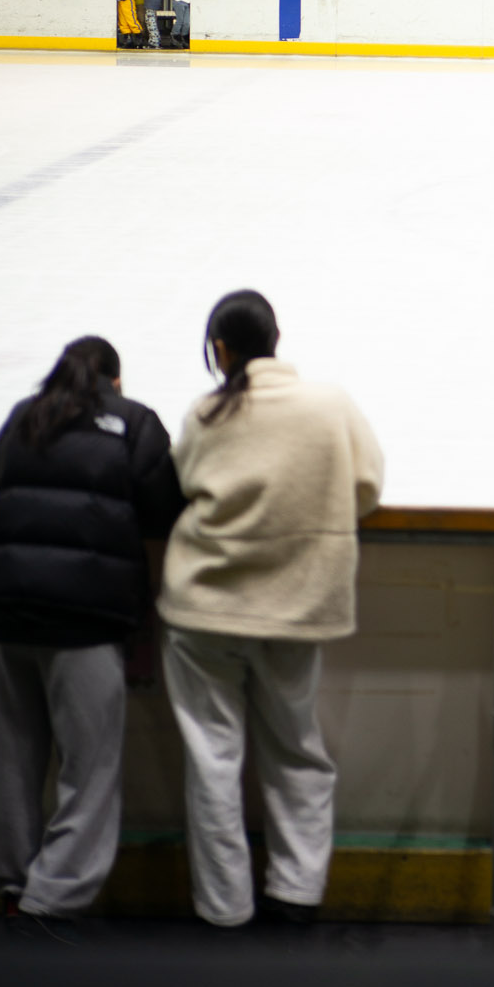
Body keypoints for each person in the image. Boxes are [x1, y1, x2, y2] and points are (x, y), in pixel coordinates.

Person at [158, 291, 384, 931]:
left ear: (221, 349)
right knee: (297, 750)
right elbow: (367, 487)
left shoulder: (206, 412)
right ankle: (297, 893)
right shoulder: (331, 405)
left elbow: (183, 484)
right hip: (297, 605)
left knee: (213, 758)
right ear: (276, 340)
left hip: (204, 609)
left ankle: (223, 907)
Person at [0, 336, 184, 939]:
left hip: (6, 611)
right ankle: (53, 896)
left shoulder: (22, 416)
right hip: (86, 618)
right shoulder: (133, 423)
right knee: (90, 766)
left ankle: (13, 884)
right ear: (115, 380)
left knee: (12, 760)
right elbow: (164, 509)